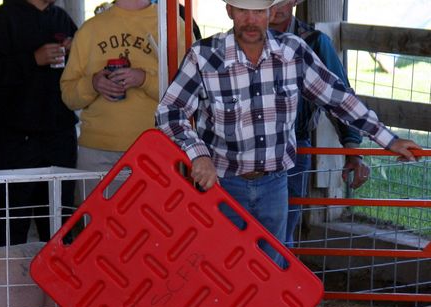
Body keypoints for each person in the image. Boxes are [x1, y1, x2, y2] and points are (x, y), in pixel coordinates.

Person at [155, 0, 420, 259]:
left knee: (272, 265)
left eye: (258, 12)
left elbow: (338, 98)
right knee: (223, 265)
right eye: (243, 11)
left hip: (276, 184)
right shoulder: (203, 55)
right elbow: (170, 112)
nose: (251, 20)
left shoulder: (293, 52)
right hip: (223, 184)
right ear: (229, 11)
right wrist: (198, 154)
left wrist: (389, 140)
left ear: (270, 12)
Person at [60, 0, 187, 200]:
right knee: (98, 228)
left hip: (157, 148)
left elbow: (187, 93)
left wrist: (144, 79)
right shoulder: (90, 29)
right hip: (98, 152)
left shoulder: (173, 26)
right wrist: (93, 83)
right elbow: (68, 96)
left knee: (153, 228)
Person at [0, 0, 78, 247]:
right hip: (15, 139)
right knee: (12, 223)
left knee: (59, 225)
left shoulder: (62, 18)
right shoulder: (2, 18)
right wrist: (32, 59)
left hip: (59, 136)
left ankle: (59, 283)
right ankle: (8, 284)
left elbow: (83, 70)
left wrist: (76, 51)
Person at [269, 0, 370, 246]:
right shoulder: (238, 42)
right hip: (241, 154)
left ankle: (279, 278)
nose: (273, 3)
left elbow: (340, 97)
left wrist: (352, 150)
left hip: (293, 150)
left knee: (279, 237)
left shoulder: (314, 43)